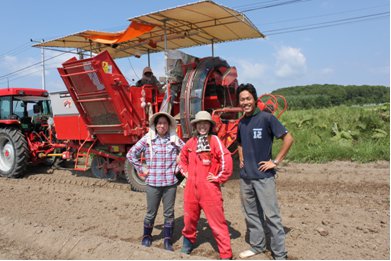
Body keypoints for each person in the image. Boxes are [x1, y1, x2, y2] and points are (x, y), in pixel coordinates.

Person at [236, 83, 294, 260]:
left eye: (248, 98)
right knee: (251, 214)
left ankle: (280, 254)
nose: (245, 102)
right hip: (246, 177)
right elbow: (239, 142)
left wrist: (274, 162)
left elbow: (288, 138)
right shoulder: (242, 122)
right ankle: (257, 246)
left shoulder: (266, 118)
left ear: (254, 99)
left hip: (263, 177)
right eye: (242, 99)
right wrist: (241, 157)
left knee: (272, 216)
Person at [127, 112, 185, 251]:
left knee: (169, 213)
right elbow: (131, 154)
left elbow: (187, 152)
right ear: (155, 125)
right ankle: (147, 236)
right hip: (153, 184)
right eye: (159, 123)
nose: (162, 126)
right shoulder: (148, 139)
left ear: (169, 125)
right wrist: (141, 168)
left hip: (170, 184)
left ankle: (167, 240)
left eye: (165, 123)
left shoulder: (174, 139)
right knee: (151, 212)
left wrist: (178, 167)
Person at [179, 111, 233, 259]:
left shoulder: (214, 140)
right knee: (189, 219)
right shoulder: (191, 142)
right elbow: (182, 159)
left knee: (217, 223)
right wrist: (185, 172)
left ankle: (226, 253)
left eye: (205, 123)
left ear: (210, 125)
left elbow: (226, 159)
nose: (202, 126)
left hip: (209, 188)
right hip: (191, 189)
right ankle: (187, 243)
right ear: (196, 126)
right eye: (199, 123)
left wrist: (219, 177)